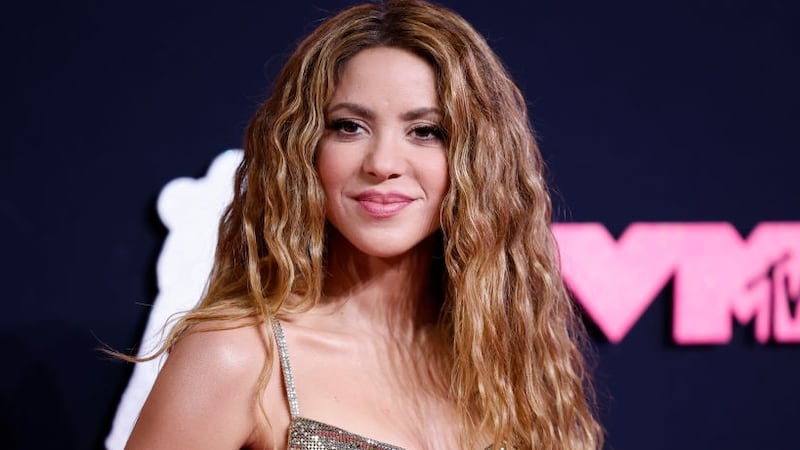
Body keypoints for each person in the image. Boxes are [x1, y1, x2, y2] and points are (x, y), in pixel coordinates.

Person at [123, 1, 603, 448]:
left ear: (480, 161)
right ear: (303, 148)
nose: (383, 162)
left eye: (427, 131)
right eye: (349, 126)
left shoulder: (508, 363)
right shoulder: (236, 357)